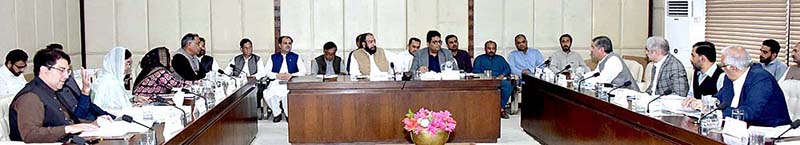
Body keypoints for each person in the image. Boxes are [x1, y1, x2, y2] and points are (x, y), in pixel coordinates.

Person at [9, 49, 108, 143]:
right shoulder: (30, 96)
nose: (66, 76)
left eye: (68, 71)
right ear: (44, 70)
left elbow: (66, 120)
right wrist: (68, 129)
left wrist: (93, 123)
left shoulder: (52, 91)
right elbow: (30, 134)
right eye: (61, 70)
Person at [715, 45, 790, 127]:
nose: (722, 69)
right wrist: (707, 104)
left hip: (769, 130)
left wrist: (719, 113)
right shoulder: (729, 77)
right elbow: (721, 99)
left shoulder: (761, 79)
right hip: (739, 126)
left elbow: (751, 112)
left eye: (722, 66)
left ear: (732, 68)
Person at [44, 43, 115, 122]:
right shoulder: (51, 91)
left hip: (95, 118)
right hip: (85, 125)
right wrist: (85, 92)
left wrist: (111, 116)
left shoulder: (69, 79)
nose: (66, 75)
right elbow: (77, 118)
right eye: (61, 69)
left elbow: (89, 104)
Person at [264, 36, 307, 123]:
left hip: (291, 81)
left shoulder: (296, 57)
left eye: (289, 43)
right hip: (277, 81)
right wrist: (276, 75)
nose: (288, 45)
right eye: (285, 43)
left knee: (286, 94)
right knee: (270, 94)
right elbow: (266, 71)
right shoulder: (273, 57)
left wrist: (291, 75)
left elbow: (303, 72)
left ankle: (288, 114)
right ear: (280, 45)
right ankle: (277, 113)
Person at [472, 40, 512, 119]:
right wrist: (486, 76)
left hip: (498, 80)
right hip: (484, 80)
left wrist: (502, 75)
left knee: (507, 86)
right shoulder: (479, 59)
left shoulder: (500, 59)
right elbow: (475, 71)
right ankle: (486, 110)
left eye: (493, 48)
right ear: (485, 49)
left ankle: (500, 108)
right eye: (489, 48)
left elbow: (508, 68)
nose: (491, 50)